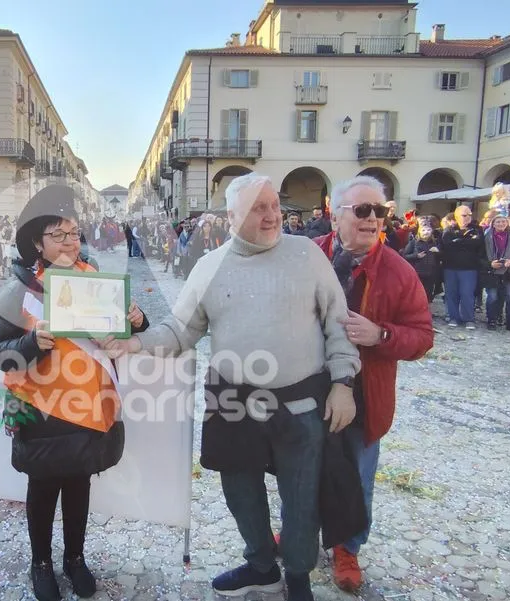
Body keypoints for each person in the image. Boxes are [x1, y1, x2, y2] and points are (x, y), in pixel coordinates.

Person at [100, 173, 361, 601]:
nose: (272, 215)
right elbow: (180, 331)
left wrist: (343, 383)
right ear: (232, 216)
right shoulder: (209, 266)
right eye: (259, 208)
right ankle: (261, 565)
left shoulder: (307, 255)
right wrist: (134, 342)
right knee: (240, 491)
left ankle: (296, 576)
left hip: (301, 400)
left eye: (275, 205)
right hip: (233, 402)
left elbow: (338, 322)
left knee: (301, 496)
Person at [0, 185, 149, 601]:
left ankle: (75, 558)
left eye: (74, 233)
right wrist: (29, 344)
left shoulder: (95, 278)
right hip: (39, 406)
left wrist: (137, 318)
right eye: (59, 234)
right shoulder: (19, 289)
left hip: (88, 404)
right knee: (42, 488)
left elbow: (122, 331)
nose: (70, 242)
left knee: (79, 483)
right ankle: (41, 563)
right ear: (38, 242)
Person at [315, 176, 433, 592]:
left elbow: (422, 336)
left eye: (379, 211)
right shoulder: (310, 256)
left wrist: (380, 335)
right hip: (306, 387)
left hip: (365, 397)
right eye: (361, 210)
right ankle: (302, 533)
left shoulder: (399, 271)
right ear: (336, 213)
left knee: (358, 476)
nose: (372, 219)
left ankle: (348, 547)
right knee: (302, 469)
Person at [440, 205, 484, 329]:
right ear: (457, 216)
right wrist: (466, 242)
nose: (468, 217)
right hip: (451, 267)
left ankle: (468, 318)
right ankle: (453, 317)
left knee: (467, 294)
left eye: (470, 215)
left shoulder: (477, 229)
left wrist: (458, 241)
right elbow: (447, 245)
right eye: (465, 215)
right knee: (451, 293)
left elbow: (478, 243)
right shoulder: (449, 230)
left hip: (469, 268)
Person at [481, 214, 510, 332]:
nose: (501, 224)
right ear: (493, 224)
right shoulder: (486, 237)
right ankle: (491, 320)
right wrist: (490, 264)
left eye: (503, 221)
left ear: (507, 223)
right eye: (498, 222)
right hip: (491, 271)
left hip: (508, 272)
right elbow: (480, 257)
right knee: (492, 297)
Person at [401, 221, 441, 302]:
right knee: (417, 295)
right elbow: (404, 256)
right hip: (418, 273)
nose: (426, 232)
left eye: (428, 230)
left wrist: (438, 252)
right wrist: (416, 256)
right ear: (419, 231)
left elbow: (440, 258)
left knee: (428, 295)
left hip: (431, 273)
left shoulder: (435, 243)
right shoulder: (414, 242)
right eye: (423, 230)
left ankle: (427, 312)